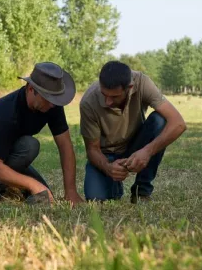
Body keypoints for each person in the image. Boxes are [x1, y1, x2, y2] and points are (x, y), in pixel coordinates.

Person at [0, 62, 84, 206]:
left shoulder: (52, 105)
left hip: (6, 154)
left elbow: (65, 146)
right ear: (31, 89)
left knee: (44, 199)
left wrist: (71, 192)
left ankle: (5, 187)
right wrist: (33, 185)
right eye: (48, 99)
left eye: (55, 100)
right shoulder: (8, 112)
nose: (53, 105)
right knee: (30, 146)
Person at [79, 61, 187, 203]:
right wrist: (108, 168)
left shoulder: (142, 83)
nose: (108, 102)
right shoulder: (88, 102)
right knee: (95, 200)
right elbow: (92, 150)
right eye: (104, 94)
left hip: (136, 145)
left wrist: (147, 151)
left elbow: (178, 123)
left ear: (129, 88)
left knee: (160, 121)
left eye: (114, 97)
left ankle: (141, 191)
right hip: (106, 154)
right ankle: (114, 184)